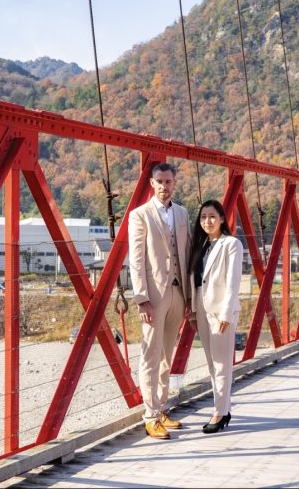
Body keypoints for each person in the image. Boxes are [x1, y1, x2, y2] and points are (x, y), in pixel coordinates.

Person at [128, 162, 191, 439]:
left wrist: (190, 297)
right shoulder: (139, 215)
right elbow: (136, 260)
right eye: (160, 182)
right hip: (154, 295)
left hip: (178, 292)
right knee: (150, 355)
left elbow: (187, 253)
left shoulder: (182, 213)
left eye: (169, 181)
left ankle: (161, 408)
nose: (164, 186)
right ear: (152, 184)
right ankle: (150, 416)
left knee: (167, 355)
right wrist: (142, 298)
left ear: (174, 183)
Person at [187, 199, 243, 434]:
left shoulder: (232, 244)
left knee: (221, 364)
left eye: (212, 216)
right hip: (201, 308)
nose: (207, 221)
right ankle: (224, 409)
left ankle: (219, 413)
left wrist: (226, 313)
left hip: (220, 310)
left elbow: (233, 282)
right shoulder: (201, 246)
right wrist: (192, 309)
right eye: (203, 217)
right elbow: (195, 281)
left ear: (221, 219)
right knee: (212, 363)